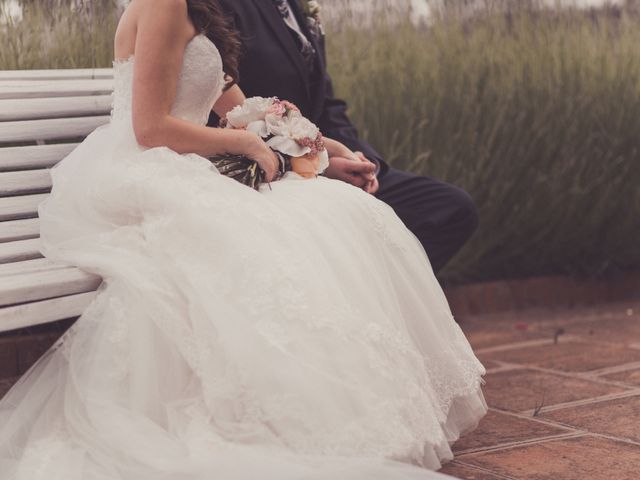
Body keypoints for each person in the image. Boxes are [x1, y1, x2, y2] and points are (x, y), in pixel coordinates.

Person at [0, 1, 486, 479]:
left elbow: (246, 113)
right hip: (148, 170)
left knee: (338, 208)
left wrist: (317, 148)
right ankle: (272, 410)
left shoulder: (199, 9)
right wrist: (243, 144)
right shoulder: (164, 3)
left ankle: (317, 401)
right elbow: (149, 128)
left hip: (188, 163)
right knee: (278, 230)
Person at [213, 0, 479, 273]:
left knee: (451, 210)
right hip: (268, 170)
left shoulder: (295, 7)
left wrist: (360, 161)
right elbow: (234, 115)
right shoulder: (223, 8)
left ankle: (379, 301)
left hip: (330, 156)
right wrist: (321, 163)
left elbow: (326, 104)